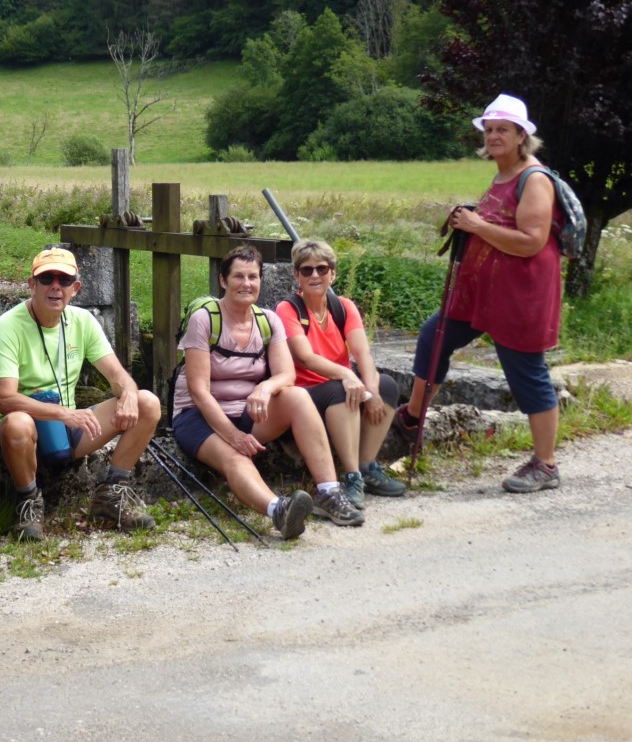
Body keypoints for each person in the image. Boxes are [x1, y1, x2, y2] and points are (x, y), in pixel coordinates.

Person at [393, 93, 564, 493]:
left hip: (519, 295)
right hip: (481, 292)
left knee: (526, 372)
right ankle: (413, 417)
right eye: (489, 129)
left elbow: (531, 242)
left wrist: (476, 225)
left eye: (503, 129)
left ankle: (546, 465)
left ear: (522, 135)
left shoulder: (533, 179)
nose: (493, 136)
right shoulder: (503, 175)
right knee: (434, 335)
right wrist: (469, 220)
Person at [171, 245, 364, 539]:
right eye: (238, 276)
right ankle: (279, 511)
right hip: (198, 416)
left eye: (253, 277)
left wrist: (265, 386)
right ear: (223, 280)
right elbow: (198, 391)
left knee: (297, 396)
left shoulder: (268, 321)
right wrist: (233, 436)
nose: (246, 284)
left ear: (261, 280)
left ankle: (328, 492)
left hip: (247, 411)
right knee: (236, 457)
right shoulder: (205, 319)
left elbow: (286, 374)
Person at [0, 247, 161, 541]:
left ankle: (111, 495)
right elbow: (5, 399)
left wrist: (129, 394)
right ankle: (29, 502)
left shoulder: (82, 321)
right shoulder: (8, 325)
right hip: (19, 431)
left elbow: (118, 376)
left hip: (66, 429)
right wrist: (63, 413)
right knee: (19, 423)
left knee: (148, 403)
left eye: (64, 280)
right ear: (32, 284)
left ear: (75, 288)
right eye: (46, 278)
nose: (55, 286)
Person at [276, 239, 406, 510]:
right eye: (306, 270)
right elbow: (305, 357)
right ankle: (351, 476)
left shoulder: (344, 307)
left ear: (333, 273)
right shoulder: (288, 309)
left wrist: (372, 392)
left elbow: (362, 353)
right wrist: (346, 375)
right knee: (341, 389)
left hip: (340, 382)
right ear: (296, 275)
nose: (314, 275)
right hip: (307, 390)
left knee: (387, 385)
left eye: (322, 269)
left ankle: (367, 466)